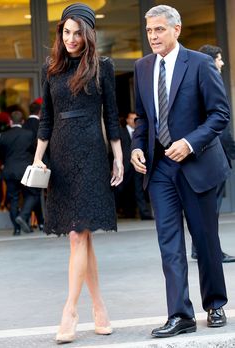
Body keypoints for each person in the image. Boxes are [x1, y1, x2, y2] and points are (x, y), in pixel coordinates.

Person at [131, 5, 230, 338]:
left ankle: (215, 304)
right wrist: (136, 147)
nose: (153, 36)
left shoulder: (200, 64)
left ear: (177, 29)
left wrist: (189, 143)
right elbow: (143, 118)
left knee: (205, 240)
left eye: (159, 29)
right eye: (149, 31)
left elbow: (220, 115)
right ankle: (180, 314)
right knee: (169, 243)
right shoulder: (142, 67)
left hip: (196, 165)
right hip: (160, 169)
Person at [32, 3, 123, 344]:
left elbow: (112, 116)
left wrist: (117, 157)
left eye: (76, 32)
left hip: (91, 154)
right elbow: (46, 120)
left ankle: (69, 310)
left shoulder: (103, 67)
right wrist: (39, 160)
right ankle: (99, 308)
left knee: (77, 235)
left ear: (88, 34)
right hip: (60, 155)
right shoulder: (51, 69)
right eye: (65, 32)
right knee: (81, 236)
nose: (70, 38)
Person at [190, 44, 235, 262]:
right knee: (209, 210)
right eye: (219, 58)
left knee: (206, 210)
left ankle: (199, 248)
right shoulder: (206, 81)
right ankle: (208, 250)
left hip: (217, 155)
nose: (222, 62)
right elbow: (219, 125)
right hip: (212, 156)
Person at [0, 111, 36, 235]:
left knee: (13, 199)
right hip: (25, 170)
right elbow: (33, 150)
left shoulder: (3, 136)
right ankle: (23, 215)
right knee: (32, 195)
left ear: (10, 122)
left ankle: (16, 229)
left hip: (9, 170)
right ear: (23, 121)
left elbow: (1, 154)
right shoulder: (29, 134)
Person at [115, 112, 153, 219]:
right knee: (120, 190)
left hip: (138, 165)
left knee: (139, 189)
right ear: (127, 120)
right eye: (131, 118)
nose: (134, 121)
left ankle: (144, 214)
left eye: (135, 119)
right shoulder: (120, 132)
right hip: (124, 166)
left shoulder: (140, 133)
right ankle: (116, 213)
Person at [23, 98, 45, 231]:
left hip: (27, 166)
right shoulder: (41, 125)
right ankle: (40, 221)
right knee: (37, 194)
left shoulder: (24, 126)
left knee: (33, 194)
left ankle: (40, 222)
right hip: (42, 164)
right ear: (40, 112)